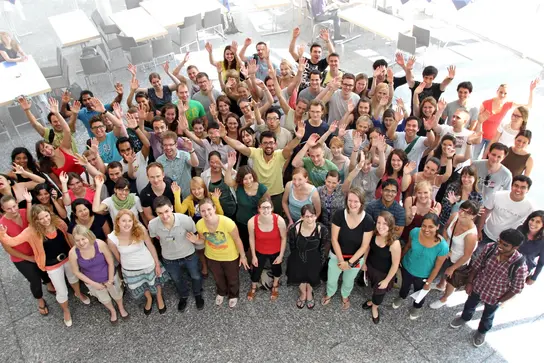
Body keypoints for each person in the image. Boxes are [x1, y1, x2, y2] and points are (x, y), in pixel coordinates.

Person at [0, 205, 90, 327]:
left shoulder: (58, 222)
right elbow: (12, 242)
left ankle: (78, 293)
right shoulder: (31, 231)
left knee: (73, 278)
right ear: (35, 220)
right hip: (51, 265)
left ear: (49, 214)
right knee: (61, 290)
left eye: (47, 216)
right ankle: (66, 310)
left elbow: (70, 234)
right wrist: (2, 234)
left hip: (68, 258)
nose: (45, 220)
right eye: (41, 218)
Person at [450, 229, 528, 347]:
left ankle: (482, 332)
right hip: (478, 286)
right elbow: (476, 266)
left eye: (505, 245)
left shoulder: (519, 266)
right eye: (499, 241)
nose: (500, 246)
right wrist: (470, 282)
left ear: (515, 247)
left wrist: (500, 300)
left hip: (495, 295)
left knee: (488, 315)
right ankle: (464, 318)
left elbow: (516, 288)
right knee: (469, 304)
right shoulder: (490, 248)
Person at [221, 124, 305, 214]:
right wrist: (224, 137)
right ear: (260, 145)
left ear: (275, 144)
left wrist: (298, 138)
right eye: (265, 143)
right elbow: (240, 146)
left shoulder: (280, 155)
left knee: (276, 220)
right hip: (259, 194)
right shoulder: (256, 153)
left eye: (271, 143)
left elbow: (288, 147)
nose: (268, 145)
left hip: (276, 195)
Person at [186, 198, 249, 308]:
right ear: (199, 212)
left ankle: (233, 294)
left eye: (209, 209)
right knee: (218, 277)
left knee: (232, 277)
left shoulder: (227, 222)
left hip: (230, 256)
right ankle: (221, 292)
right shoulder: (200, 224)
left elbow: (237, 239)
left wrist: (242, 256)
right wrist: (195, 240)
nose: (206, 213)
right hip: (212, 256)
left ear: (214, 208)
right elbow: (203, 239)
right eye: (203, 211)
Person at [0, 195, 55, 315]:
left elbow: (35, 224)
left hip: (37, 250)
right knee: (34, 279)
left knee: (44, 270)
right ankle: (40, 300)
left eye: (14, 206)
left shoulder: (26, 212)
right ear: (3, 209)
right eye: (9, 209)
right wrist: (28, 258)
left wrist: (29, 201)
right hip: (21, 258)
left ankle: (49, 284)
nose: (13, 210)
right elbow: (9, 249)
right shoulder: (2, 225)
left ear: (17, 202)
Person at [322, 187, 374, 310]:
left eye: (356, 201)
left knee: (349, 280)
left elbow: (364, 246)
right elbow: (334, 239)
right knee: (332, 279)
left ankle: (345, 295)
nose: (352, 204)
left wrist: (349, 263)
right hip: (337, 256)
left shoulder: (368, 220)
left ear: (361, 202)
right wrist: (341, 261)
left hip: (355, 259)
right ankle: (330, 293)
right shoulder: (339, 215)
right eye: (350, 200)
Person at [149, 196, 204, 312]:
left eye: (166, 211)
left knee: (196, 276)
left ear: (172, 208)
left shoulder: (185, 220)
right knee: (177, 279)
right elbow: (156, 238)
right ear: (156, 213)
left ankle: (198, 293)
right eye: (160, 213)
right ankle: (183, 295)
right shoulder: (152, 225)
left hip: (189, 255)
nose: (164, 216)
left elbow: (195, 233)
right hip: (169, 259)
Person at [108, 210, 167, 315]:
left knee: (156, 282)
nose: (127, 224)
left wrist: (157, 264)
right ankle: (148, 298)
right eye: (124, 221)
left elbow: (150, 246)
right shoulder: (112, 238)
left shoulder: (140, 229)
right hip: (130, 269)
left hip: (148, 264)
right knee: (142, 286)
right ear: (117, 222)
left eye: (130, 220)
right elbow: (118, 257)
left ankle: (159, 297)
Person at [393, 213, 448, 320]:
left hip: (423, 275)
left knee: (419, 292)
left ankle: (417, 307)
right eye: (424, 225)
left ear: (437, 227)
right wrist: (398, 261)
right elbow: (408, 246)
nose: (426, 229)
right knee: (404, 285)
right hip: (407, 267)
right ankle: (401, 296)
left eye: (431, 226)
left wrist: (429, 283)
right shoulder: (414, 232)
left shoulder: (443, 247)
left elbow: (437, 267)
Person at [69, 225, 128, 323]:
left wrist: (110, 280)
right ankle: (112, 310)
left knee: (117, 293)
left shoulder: (100, 244)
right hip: (92, 281)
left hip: (109, 276)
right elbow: (76, 272)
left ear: (88, 236)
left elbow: (110, 262)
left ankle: (121, 307)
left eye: (83, 239)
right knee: (103, 298)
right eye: (77, 240)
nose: (81, 243)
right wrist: (94, 284)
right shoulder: (73, 253)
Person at [430, 201, 478, 309]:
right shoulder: (454, 216)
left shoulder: (471, 235)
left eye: (468, 213)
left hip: (458, 260)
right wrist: (446, 246)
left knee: (452, 280)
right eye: (462, 209)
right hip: (448, 253)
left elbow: (466, 255)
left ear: (473, 216)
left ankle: (445, 298)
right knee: (444, 271)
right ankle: (440, 285)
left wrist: (453, 268)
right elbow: (446, 230)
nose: (462, 214)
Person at [473, 80, 538, 159]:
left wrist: (531, 90)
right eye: (501, 92)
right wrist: (473, 132)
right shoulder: (486, 103)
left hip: (493, 139)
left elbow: (528, 106)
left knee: (487, 158)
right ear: (497, 91)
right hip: (480, 135)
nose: (502, 95)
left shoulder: (508, 105)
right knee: (473, 157)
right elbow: (477, 119)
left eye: (505, 93)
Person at [173, 178, 223, 278]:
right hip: (198, 229)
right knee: (200, 250)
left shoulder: (211, 196)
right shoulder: (189, 199)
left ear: (204, 188)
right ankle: (204, 265)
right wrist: (177, 194)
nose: (197, 192)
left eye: (199, 188)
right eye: (193, 189)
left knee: (214, 248)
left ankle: (216, 265)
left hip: (211, 228)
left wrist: (216, 201)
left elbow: (221, 214)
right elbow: (179, 211)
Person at [361, 211, 401, 324]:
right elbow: (368, 248)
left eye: (385, 223)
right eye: (379, 222)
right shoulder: (374, 234)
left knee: (379, 295)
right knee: (373, 288)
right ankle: (371, 301)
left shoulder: (394, 243)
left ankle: (374, 307)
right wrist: (364, 262)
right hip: (371, 267)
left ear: (390, 226)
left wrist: (386, 281)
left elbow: (395, 265)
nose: (381, 226)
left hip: (384, 274)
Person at [477, 175, 534, 254]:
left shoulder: (530, 207)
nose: (518, 189)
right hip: (486, 234)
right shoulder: (497, 195)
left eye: (523, 187)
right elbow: (485, 211)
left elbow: (528, 228)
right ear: (511, 186)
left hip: (507, 243)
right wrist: (479, 230)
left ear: (528, 190)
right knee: (476, 257)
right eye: (516, 186)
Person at [287, 204, 329, 309]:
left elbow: (324, 248)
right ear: (301, 217)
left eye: (312, 216)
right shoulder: (294, 229)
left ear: (316, 216)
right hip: (298, 256)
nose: (309, 219)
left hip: (314, 258)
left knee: (311, 275)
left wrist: (321, 262)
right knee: (299, 275)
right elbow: (292, 246)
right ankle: (303, 293)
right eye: (306, 216)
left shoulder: (322, 229)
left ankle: (309, 292)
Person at [224, 154, 268, 252]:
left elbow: (268, 205)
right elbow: (227, 181)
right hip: (242, 221)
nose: (248, 181)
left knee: (258, 244)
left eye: (250, 178)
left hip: (257, 222)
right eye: (245, 179)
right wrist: (230, 166)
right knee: (245, 243)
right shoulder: (238, 187)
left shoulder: (262, 188)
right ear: (241, 180)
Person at [247, 197, 287, 301]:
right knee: (256, 270)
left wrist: (281, 255)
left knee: (277, 269)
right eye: (263, 208)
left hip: (275, 250)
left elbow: (284, 238)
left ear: (272, 208)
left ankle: (275, 284)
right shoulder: (252, 222)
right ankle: (254, 286)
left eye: (268, 208)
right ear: (258, 209)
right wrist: (254, 256)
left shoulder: (279, 220)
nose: (266, 210)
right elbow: (251, 238)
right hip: (260, 251)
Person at [156, 131, 198, 195]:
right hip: (171, 197)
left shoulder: (184, 155)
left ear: (176, 144)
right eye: (165, 145)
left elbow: (195, 164)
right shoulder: (159, 161)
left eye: (171, 145)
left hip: (187, 195)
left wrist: (191, 149)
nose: (168, 148)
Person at [201, 151, 237, 219]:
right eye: (212, 162)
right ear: (208, 162)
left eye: (217, 162)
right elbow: (205, 192)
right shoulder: (204, 175)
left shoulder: (226, 167)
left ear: (221, 161)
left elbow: (235, 175)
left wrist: (222, 166)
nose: (214, 164)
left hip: (231, 207)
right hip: (215, 210)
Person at [517, 211, 544, 285]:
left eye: (538, 222)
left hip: (523, 268)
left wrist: (534, 277)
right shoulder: (520, 229)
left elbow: (541, 262)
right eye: (532, 220)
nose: (533, 223)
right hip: (507, 261)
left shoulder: (542, 242)